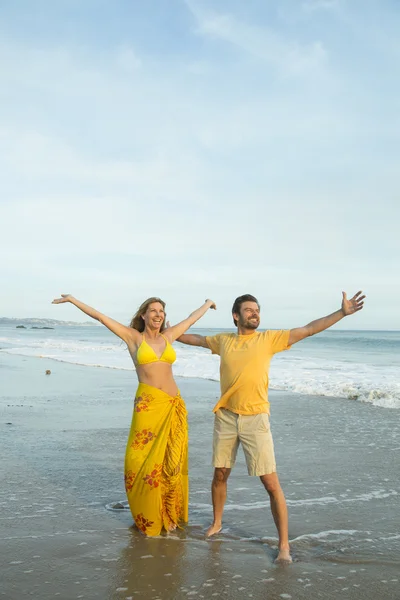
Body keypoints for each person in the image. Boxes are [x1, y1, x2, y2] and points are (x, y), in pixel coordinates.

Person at [177, 290, 365, 562]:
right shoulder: (223, 341)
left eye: (257, 310)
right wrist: (165, 329)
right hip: (226, 417)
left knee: (271, 483)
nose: (255, 313)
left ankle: (284, 545)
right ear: (236, 316)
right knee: (220, 474)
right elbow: (190, 338)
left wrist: (341, 313)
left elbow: (309, 329)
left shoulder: (269, 339)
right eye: (249, 310)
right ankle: (217, 523)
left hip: (256, 419)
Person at [52, 294, 216, 536]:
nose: (158, 315)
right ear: (144, 315)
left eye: (161, 311)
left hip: (172, 404)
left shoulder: (168, 337)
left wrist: (207, 304)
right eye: (153, 310)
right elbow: (100, 317)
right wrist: (73, 300)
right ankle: (147, 514)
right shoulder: (133, 338)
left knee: (170, 462)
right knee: (138, 461)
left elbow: (191, 319)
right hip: (147, 407)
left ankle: (168, 513)